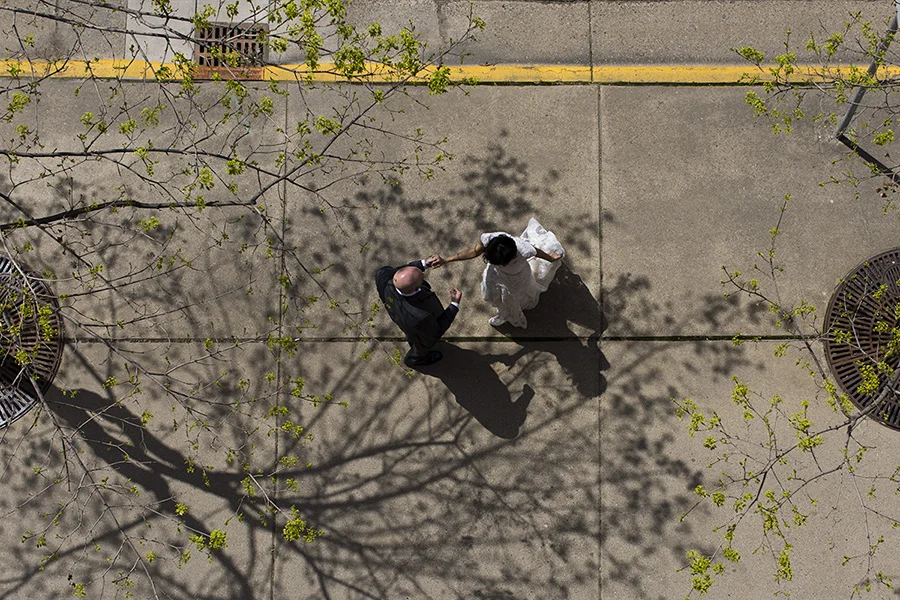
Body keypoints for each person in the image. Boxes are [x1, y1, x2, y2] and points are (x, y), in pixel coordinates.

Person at [433, 218, 564, 329]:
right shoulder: (490, 240)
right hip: (495, 276)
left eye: (504, 263)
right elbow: (473, 251)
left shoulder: (524, 249)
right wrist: (445, 260)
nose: (502, 265)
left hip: (517, 278)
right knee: (493, 293)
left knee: (516, 296)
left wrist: (551, 258)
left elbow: (538, 252)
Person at [375, 255, 462, 367]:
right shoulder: (420, 317)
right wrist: (454, 304)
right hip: (418, 329)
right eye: (421, 278)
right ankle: (414, 360)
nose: (423, 276)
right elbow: (436, 332)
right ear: (413, 289)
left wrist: (423, 264)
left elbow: (399, 271)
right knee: (421, 345)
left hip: (398, 317)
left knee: (410, 333)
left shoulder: (383, 276)